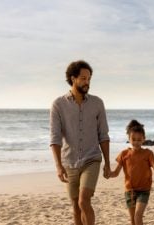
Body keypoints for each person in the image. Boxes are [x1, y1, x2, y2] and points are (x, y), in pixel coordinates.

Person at [50, 60, 111, 225]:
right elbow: (55, 138)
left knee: (84, 201)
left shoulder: (97, 103)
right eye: (83, 78)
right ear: (73, 78)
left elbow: (103, 135)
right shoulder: (58, 105)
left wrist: (107, 163)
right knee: (76, 207)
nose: (87, 82)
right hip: (69, 161)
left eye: (89, 79)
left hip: (92, 159)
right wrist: (58, 166)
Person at [110, 120, 154, 225]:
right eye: (133, 139)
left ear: (144, 139)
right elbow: (116, 173)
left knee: (138, 215)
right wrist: (109, 173)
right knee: (133, 220)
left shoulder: (148, 153)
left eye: (139, 139)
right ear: (129, 139)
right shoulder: (124, 154)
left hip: (144, 190)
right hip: (129, 191)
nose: (136, 142)